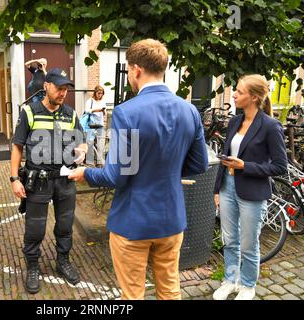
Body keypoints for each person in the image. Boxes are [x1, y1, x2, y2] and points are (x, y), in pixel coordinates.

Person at [68, 39, 208, 300]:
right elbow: (199, 164)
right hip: (171, 221)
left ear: (135, 70)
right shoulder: (190, 111)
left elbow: (115, 175)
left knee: (132, 295)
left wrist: (85, 173)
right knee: (170, 291)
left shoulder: (126, 112)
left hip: (134, 222)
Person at [11, 68, 87, 294]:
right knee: (35, 227)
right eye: (59, 88)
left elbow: (81, 140)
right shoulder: (29, 112)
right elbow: (17, 146)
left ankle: (62, 261)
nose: (63, 93)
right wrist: (15, 178)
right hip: (38, 180)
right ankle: (33, 266)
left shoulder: (70, 114)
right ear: (46, 86)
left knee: (65, 225)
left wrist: (82, 150)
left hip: (65, 180)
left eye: (66, 89)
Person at [212, 74, 287, 300]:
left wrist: (246, 166)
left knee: (248, 242)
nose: (233, 94)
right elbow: (226, 159)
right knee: (230, 239)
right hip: (227, 186)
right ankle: (230, 280)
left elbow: (279, 166)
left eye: (239, 92)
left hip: (252, 191)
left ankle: (247, 285)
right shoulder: (235, 121)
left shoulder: (271, 126)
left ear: (254, 98)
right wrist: (217, 189)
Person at [84, 85, 106, 166]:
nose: (100, 95)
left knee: (101, 143)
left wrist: (103, 111)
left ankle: (99, 161)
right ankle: (90, 161)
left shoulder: (103, 101)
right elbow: (86, 111)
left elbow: (105, 113)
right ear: (95, 93)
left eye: (101, 93)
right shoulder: (90, 101)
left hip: (100, 124)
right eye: (99, 93)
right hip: (91, 125)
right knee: (90, 142)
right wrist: (96, 110)